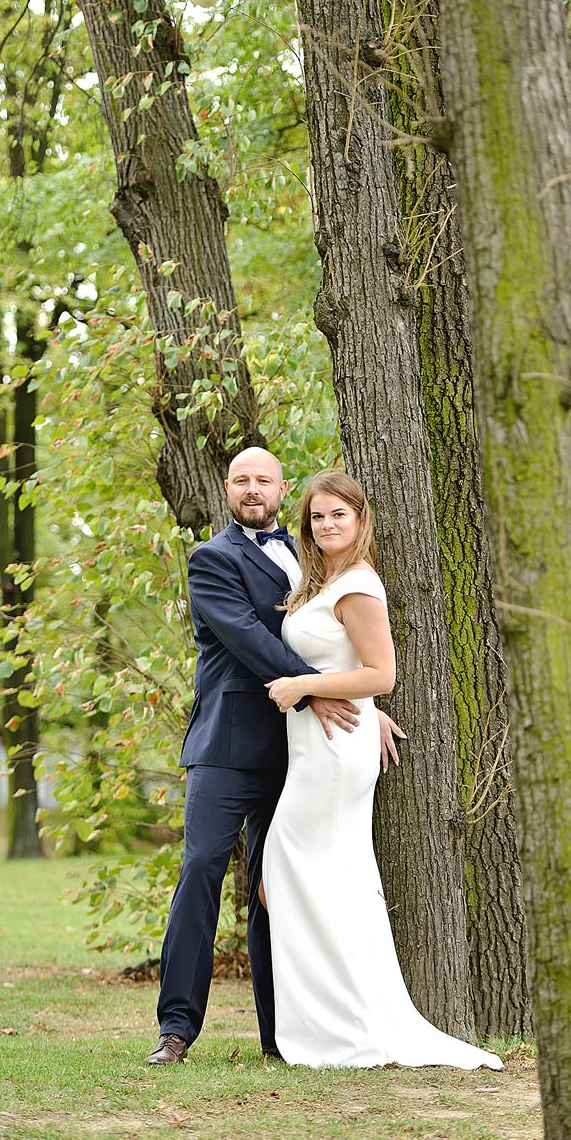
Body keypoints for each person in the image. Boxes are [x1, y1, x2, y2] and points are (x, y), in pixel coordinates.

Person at [145, 448, 402, 1066]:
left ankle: (279, 1034)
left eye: (264, 480)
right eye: (242, 480)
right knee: (202, 869)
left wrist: (362, 703)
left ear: (283, 489)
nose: (253, 489)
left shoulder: (309, 558)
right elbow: (249, 639)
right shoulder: (212, 559)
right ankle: (176, 1029)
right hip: (228, 746)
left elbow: (339, 641)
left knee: (278, 886)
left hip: (301, 750)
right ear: (226, 488)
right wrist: (318, 691)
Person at [262, 470, 503, 1070]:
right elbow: (348, 667)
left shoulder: (358, 585)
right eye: (317, 516)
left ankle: (346, 1027)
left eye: (338, 514)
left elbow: (381, 674)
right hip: (317, 746)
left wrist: (303, 687)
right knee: (319, 878)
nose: (326, 525)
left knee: (299, 867)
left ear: (360, 519)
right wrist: (353, 703)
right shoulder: (323, 581)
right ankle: (334, 1019)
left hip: (334, 754)